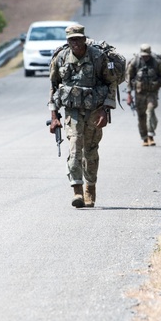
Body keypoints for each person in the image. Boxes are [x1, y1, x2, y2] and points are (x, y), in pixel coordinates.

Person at [48, 23, 119, 208]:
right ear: (68, 41)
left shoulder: (98, 57)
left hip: (95, 111)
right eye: (72, 40)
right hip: (72, 113)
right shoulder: (61, 58)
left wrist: (105, 109)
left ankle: (90, 189)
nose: (76, 43)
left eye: (78, 39)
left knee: (91, 151)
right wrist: (54, 116)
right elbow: (54, 87)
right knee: (74, 149)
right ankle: (77, 191)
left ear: (84, 38)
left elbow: (111, 84)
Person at [125, 44, 161, 147]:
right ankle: (144, 138)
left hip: (152, 93)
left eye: (147, 55)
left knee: (150, 111)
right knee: (141, 116)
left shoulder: (156, 63)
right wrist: (129, 95)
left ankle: (151, 136)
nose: (145, 57)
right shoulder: (135, 62)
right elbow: (128, 77)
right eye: (143, 55)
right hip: (139, 94)